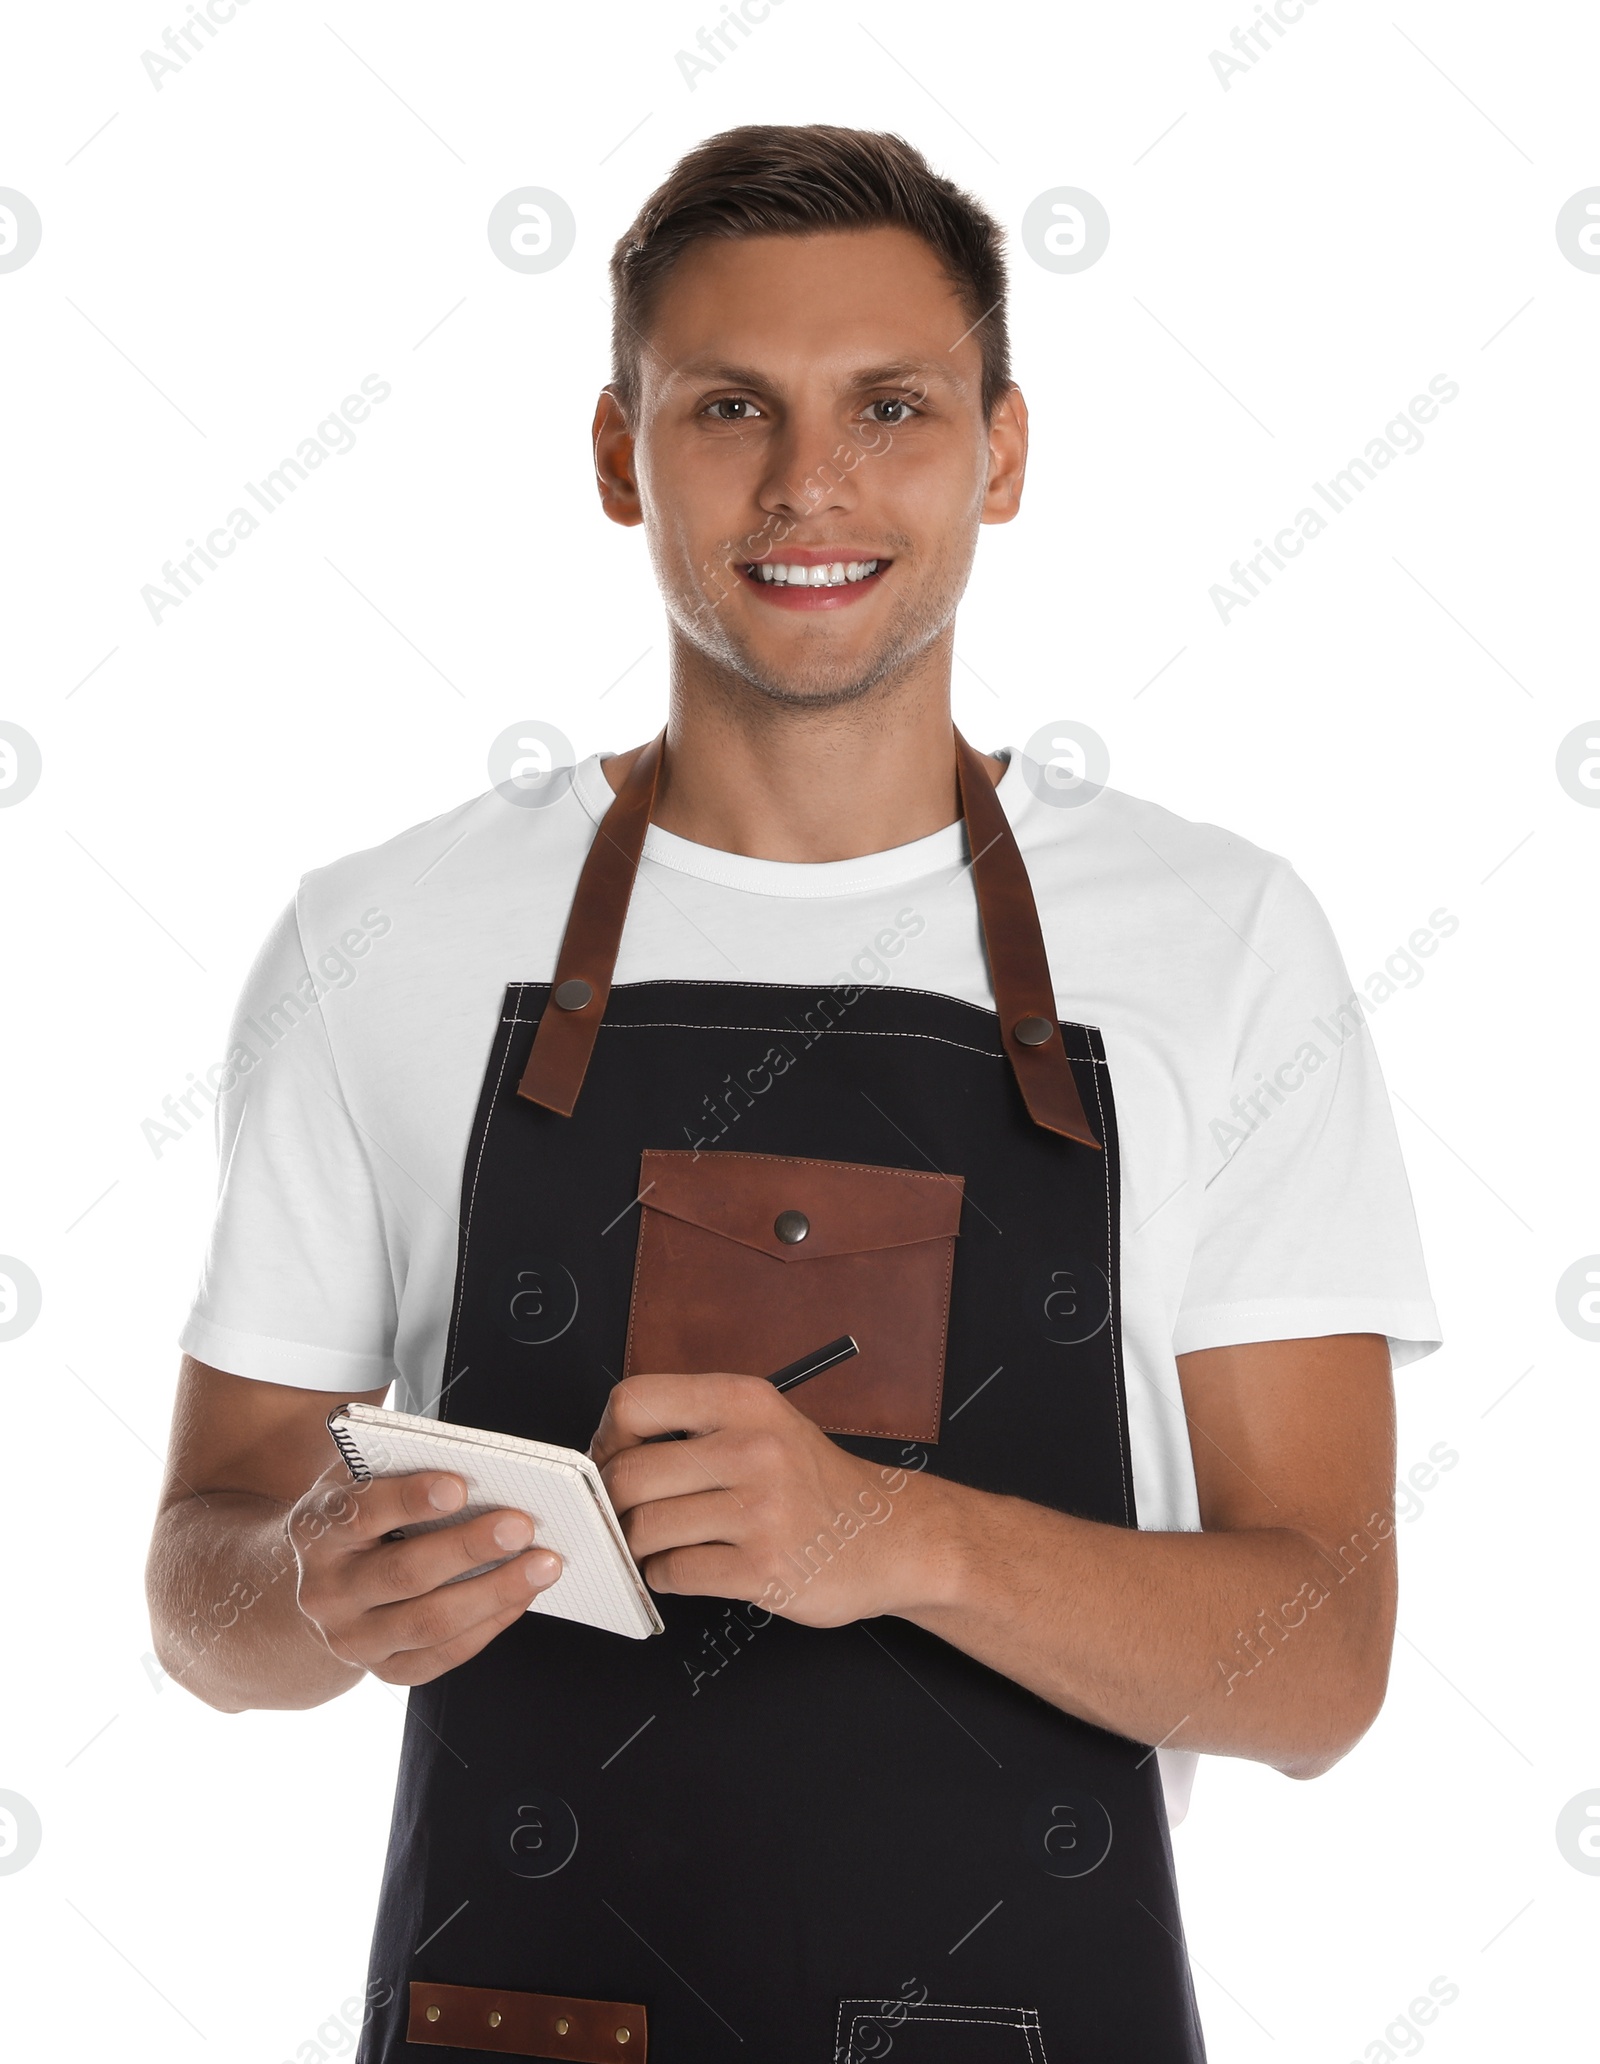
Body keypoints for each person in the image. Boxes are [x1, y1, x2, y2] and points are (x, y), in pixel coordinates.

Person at [145, 124, 1441, 2063]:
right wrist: (312, 1593)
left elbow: (1317, 1664)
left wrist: (889, 1539)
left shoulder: (1220, 944)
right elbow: (199, 1585)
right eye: (727, 407)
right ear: (618, 455)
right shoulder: (377, 942)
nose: (807, 484)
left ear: (1002, 450)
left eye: (891, 407)